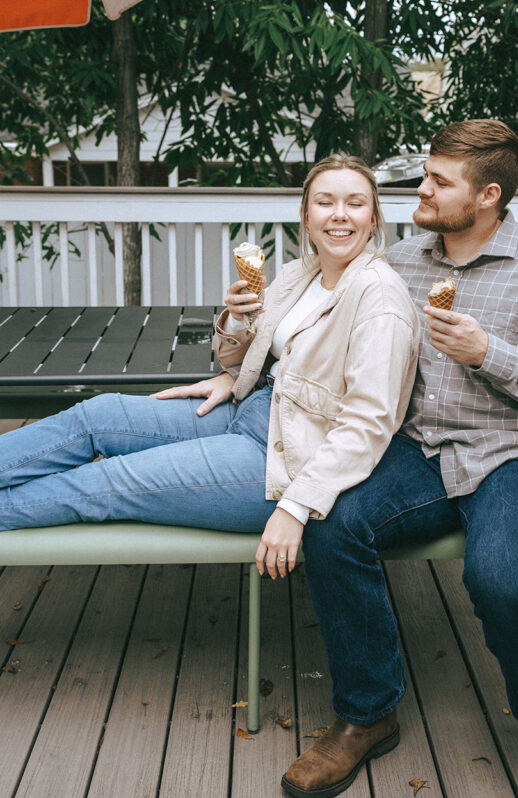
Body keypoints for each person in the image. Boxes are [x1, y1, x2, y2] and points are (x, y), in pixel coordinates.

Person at [281, 120, 518, 798]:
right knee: (331, 521)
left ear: (487, 196)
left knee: (500, 577)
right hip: (418, 452)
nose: (420, 189)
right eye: (425, 174)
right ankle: (368, 711)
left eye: (437, 181)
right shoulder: (402, 264)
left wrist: (488, 353)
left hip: (515, 457)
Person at [0, 155, 419, 582]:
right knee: (98, 415)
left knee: (107, 481)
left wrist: (296, 505)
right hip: (253, 410)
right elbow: (253, 358)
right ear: (305, 216)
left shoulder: (379, 298)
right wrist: (238, 326)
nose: (339, 215)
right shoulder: (302, 273)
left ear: (373, 218)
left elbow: (369, 422)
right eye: (325, 202)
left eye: (355, 203)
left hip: (286, 459)